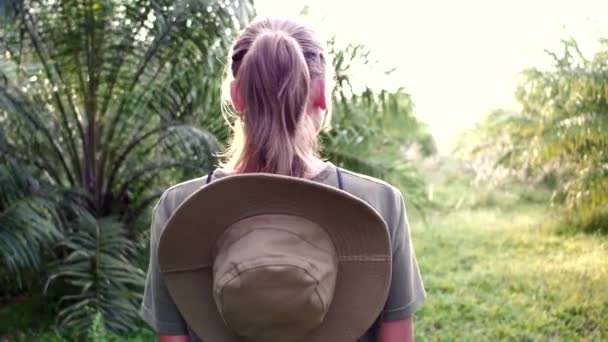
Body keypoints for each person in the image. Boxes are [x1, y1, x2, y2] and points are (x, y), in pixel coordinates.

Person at [141, 16, 426, 342]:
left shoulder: (179, 209)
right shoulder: (379, 203)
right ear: (320, 93)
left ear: (236, 96)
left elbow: (172, 339)